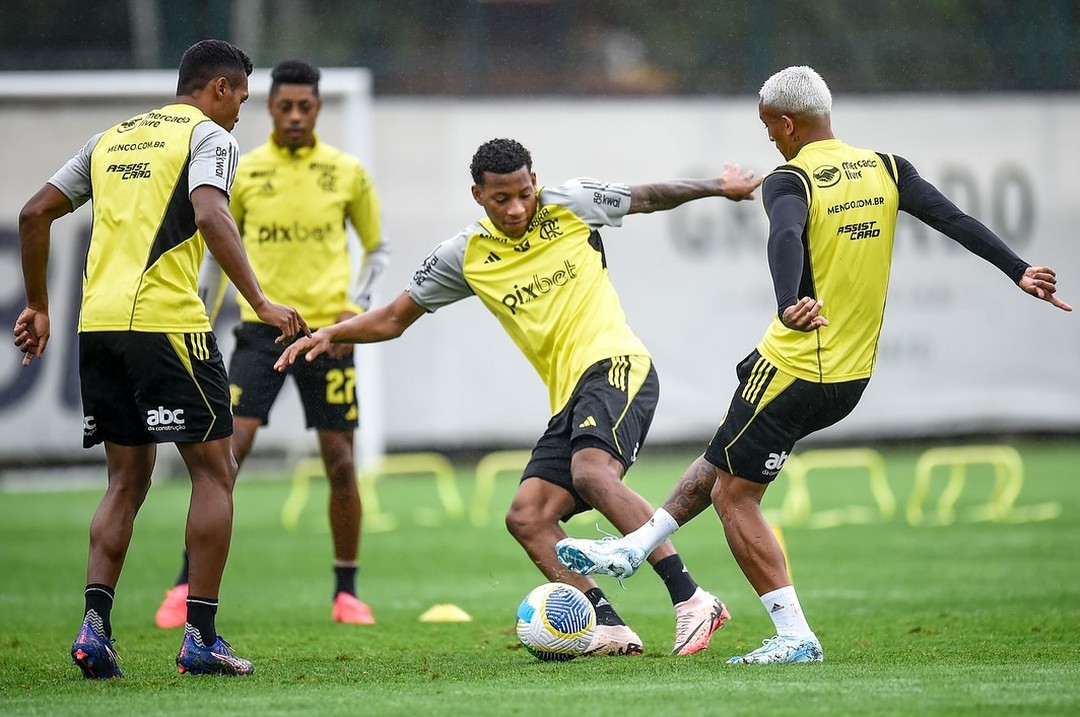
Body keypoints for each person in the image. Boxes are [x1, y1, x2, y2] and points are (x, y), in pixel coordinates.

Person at [555, 65, 1072, 664]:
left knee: (734, 496)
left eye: (768, 128)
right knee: (726, 458)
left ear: (785, 121)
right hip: (849, 378)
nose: (769, 140)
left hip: (795, 369)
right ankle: (638, 545)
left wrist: (787, 303)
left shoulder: (790, 179)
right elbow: (954, 220)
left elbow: (785, 237)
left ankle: (793, 633)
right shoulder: (888, 168)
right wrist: (1018, 270)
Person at [275, 138, 761, 656]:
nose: (516, 208)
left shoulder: (571, 203)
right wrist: (333, 333)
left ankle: (691, 599)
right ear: (478, 196)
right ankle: (609, 624)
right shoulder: (464, 255)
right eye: (501, 198)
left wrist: (718, 188)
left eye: (525, 194)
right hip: (569, 394)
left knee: (592, 474)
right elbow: (395, 318)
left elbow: (649, 195)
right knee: (527, 516)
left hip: (619, 365)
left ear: (536, 182)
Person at [14, 39, 310, 679]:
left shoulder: (110, 140)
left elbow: (35, 213)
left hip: (97, 329)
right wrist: (258, 299)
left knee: (126, 481)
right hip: (167, 326)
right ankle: (200, 638)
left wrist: (38, 305)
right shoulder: (207, 136)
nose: (239, 117)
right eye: (241, 101)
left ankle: (95, 632)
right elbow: (210, 211)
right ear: (220, 89)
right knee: (216, 473)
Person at [154, 60, 390, 630]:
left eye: (303, 107)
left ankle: (346, 591)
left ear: (318, 109)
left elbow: (376, 250)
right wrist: (200, 325)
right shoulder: (243, 169)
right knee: (226, 457)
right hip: (260, 334)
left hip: (327, 338)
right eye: (283, 106)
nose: (293, 116)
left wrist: (353, 312)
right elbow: (212, 254)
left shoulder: (347, 172)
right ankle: (186, 586)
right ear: (269, 108)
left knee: (339, 462)